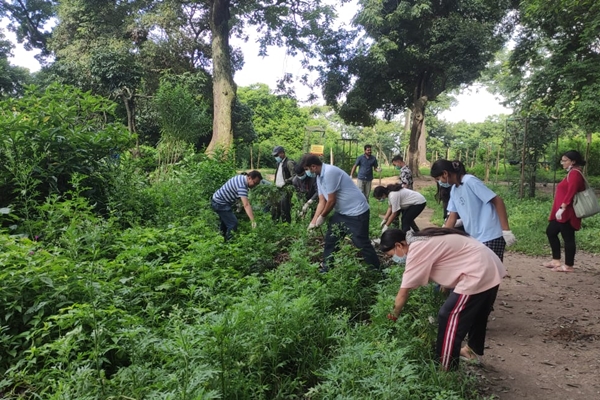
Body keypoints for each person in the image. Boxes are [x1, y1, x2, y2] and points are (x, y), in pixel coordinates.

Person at [382, 227, 506, 370]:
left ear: (398, 245)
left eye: (391, 254)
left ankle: (445, 367)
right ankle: (469, 351)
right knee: (477, 313)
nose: (393, 258)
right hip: (488, 264)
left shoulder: (416, 248)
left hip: (478, 271)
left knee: (448, 316)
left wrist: (392, 317)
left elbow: (403, 293)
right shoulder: (421, 238)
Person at [302, 154, 380, 271]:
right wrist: (313, 222)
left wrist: (322, 217)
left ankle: (377, 270)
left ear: (313, 166)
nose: (307, 172)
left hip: (356, 212)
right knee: (331, 239)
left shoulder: (329, 172)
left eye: (307, 169)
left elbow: (332, 201)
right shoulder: (319, 177)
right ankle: (327, 268)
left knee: (361, 243)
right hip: (342, 213)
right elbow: (322, 201)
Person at [430, 159, 516, 261]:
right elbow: (452, 217)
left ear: (445, 173)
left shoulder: (469, 181)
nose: (439, 183)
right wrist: (441, 236)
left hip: (490, 234)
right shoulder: (454, 190)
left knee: (488, 273)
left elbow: (498, 201)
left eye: (438, 179)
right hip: (475, 237)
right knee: (476, 272)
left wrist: (506, 230)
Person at [542, 150, 587, 272]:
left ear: (573, 161)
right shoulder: (571, 173)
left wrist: (563, 207)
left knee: (568, 237)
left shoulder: (575, 174)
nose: (562, 163)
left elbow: (571, 192)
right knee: (551, 232)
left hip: (567, 212)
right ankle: (556, 260)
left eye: (565, 160)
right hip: (561, 212)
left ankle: (568, 265)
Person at [211, 170, 263, 241]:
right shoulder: (242, 185)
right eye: (254, 183)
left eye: (257, 184)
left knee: (226, 222)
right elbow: (246, 204)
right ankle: (230, 243)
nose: (254, 186)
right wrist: (253, 221)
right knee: (232, 223)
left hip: (219, 200)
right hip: (220, 203)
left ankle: (221, 240)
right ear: (249, 178)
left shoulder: (241, 178)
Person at [271, 146, 296, 223]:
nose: (276, 157)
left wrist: (286, 181)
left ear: (282, 153)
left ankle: (286, 224)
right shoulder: (278, 163)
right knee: (275, 207)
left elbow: (295, 176)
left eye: (277, 155)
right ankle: (275, 223)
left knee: (284, 207)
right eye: (275, 156)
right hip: (277, 188)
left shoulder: (289, 163)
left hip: (286, 188)